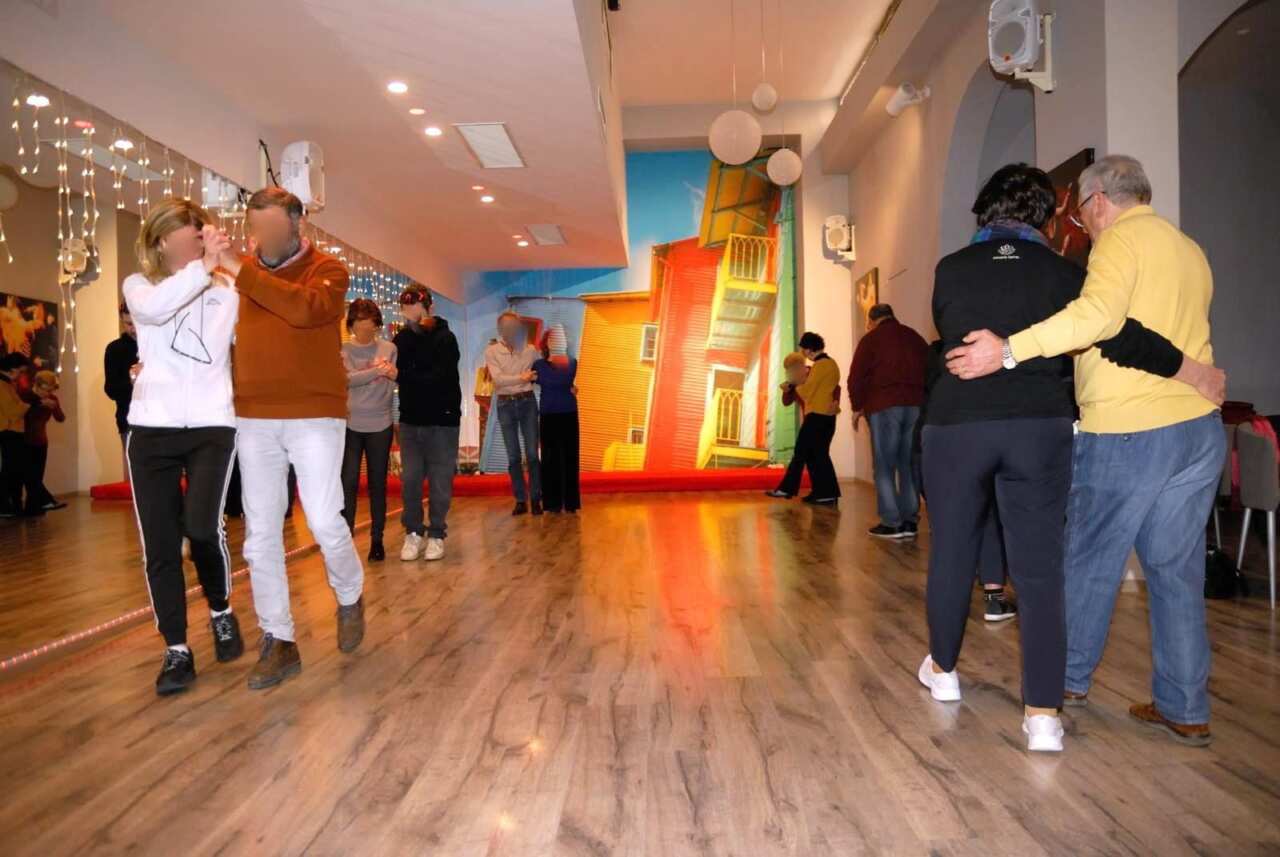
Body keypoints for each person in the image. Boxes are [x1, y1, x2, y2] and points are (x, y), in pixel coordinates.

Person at [922, 163, 1222, 752]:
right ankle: (1072, 713)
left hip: (1115, 424)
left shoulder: (959, 267)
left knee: (1061, 564)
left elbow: (1100, 323)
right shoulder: (1185, 251)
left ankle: (988, 674)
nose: (1079, 225)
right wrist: (1194, 372)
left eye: (1083, 213)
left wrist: (1008, 350)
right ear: (1046, 214)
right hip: (1180, 426)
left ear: (1099, 201)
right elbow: (1127, 331)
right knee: (1164, 575)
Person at [213, 187, 365, 690]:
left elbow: (304, 310)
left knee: (323, 519)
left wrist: (240, 270)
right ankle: (278, 639)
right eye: (257, 228)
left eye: (274, 227)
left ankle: (349, 595)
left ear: (298, 224)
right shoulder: (236, 277)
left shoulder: (328, 270)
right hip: (254, 416)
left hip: (315, 414)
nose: (264, 237)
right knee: (260, 535)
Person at [122, 199, 244, 695]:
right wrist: (202, 267)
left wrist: (226, 262)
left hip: (212, 425)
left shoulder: (226, 289)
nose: (196, 240)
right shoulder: (139, 286)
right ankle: (176, 647)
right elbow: (153, 310)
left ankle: (221, 609)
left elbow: (263, 299)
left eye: (200, 232)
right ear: (161, 240)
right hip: (151, 430)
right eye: (187, 233)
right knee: (160, 544)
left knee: (201, 527)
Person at [847, 303, 929, 539]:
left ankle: (891, 522)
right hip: (915, 406)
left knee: (884, 465)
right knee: (909, 464)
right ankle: (910, 521)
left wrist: (857, 406)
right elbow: (931, 368)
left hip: (884, 405)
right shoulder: (914, 337)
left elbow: (856, 377)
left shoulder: (871, 340)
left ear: (872, 321)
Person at [393, 285, 461, 561]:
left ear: (428, 307)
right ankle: (412, 531)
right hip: (411, 420)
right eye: (405, 308)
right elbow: (400, 372)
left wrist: (401, 374)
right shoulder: (401, 339)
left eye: (414, 307)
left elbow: (440, 377)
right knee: (410, 479)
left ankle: (436, 533)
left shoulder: (446, 338)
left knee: (440, 482)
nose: (410, 313)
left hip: (442, 421)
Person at [340, 298, 397, 562]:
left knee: (377, 483)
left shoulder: (389, 348)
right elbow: (346, 380)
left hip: (381, 423)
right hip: (351, 423)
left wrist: (387, 373)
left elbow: (392, 378)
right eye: (360, 325)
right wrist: (377, 371)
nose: (365, 330)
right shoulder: (343, 350)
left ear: (377, 325)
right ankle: (346, 541)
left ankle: (377, 540)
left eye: (370, 325)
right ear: (352, 325)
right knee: (348, 482)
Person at [765, 332, 841, 505]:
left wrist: (794, 385)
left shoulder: (821, 366)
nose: (803, 353)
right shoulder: (830, 364)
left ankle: (787, 489)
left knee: (801, 453)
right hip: (824, 417)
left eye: (803, 349)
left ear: (808, 349)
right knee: (817, 456)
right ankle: (825, 493)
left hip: (817, 415)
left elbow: (807, 392)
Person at [485, 311, 542, 515]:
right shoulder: (492, 351)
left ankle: (536, 498)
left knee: (532, 454)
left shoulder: (530, 350)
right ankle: (520, 500)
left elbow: (542, 371)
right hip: (505, 404)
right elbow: (498, 380)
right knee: (513, 456)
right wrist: (522, 377)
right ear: (501, 329)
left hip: (527, 402)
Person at [533, 329, 580, 514]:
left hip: (568, 412)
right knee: (549, 458)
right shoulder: (538, 364)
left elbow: (560, 380)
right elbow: (554, 382)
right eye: (552, 339)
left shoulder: (572, 362)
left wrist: (542, 378)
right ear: (546, 343)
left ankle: (570, 503)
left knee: (569, 458)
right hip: (548, 414)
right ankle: (552, 503)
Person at [22, 369, 67, 514]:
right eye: (46, 390)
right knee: (29, 476)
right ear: (37, 385)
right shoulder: (27, 396)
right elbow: (21, 414)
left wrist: (54, 406)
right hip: (24, 440)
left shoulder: (52, 399)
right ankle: (44, 502)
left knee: (37, 476)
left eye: (51, 390)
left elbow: (61, 418)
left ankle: (35, 507)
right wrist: (39, 403)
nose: (48, 393)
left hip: (41, 441)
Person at [104, 302, 138, 474]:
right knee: (137, 477)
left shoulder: (158, 344)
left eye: (137, 322)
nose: (134, 329)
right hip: (130, 422)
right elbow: (110, 389)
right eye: (129, 324)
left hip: (165, 421)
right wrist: (131, 380)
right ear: (122, 322)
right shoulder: (115, 349)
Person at [0, 353, 32, 518]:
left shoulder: (8, 384)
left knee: (15, 471)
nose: (21, 375)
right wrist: (28, 404)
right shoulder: (2, 385)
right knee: (11, 471)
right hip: (8, 432)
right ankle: (8, 506)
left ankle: (14, 505)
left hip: (13, 432)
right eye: (20, 371)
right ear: (12, 369)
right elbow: (13, 411)